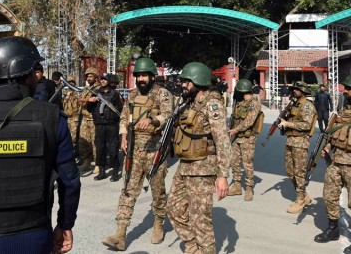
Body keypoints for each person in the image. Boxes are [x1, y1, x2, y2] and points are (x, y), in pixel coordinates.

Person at [0, 36, 81, 254]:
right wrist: (65, 224)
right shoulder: (53, 119)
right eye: (34, 71)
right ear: (26, 74)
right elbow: (71, 182)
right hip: (36, 236)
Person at [102, 57, 173, 251]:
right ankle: (120, 234)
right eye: (138, 76)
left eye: (144, 75)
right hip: (133, 151)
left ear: (152, 76)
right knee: (127, 192)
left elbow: (168, 115)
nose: (141, 79)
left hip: (155, 151)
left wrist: (152, 121)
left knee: (158, 192)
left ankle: (159, 223)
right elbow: (124, 118)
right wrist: (124, 136)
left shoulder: (163, 94)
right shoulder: (132, 95)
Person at [166, 62, 231, 253]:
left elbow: (223, 140)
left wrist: (222, 175)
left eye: (187, 82)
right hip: (185, 165)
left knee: (200, 219)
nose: (183, 85)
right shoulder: (190, 103)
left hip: (203, 168)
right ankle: (193, 246)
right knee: (174, 209)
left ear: (198, 81)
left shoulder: (212, 105)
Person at [314, 76, 351, 254]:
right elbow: (337, 132)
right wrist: (328, 146)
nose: (346, 91)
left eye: (349, 88)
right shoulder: (345, 110)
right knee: (329, 194)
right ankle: (333, 228)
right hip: (336, 161)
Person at [278, 81, 317, 214]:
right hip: (291, 140)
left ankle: (300, 199)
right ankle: (304, 195)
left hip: (300, 142)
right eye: (294, 88)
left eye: (297, 89)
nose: (294, 90)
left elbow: (306, 125)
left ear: (303, 91)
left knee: (299, 172)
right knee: (289, 170)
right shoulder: (295, 104)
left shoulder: (307, 106)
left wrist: (288, 124)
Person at [228, 79, 262, 201]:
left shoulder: (255, 104)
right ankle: (237, 185)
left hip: (248, 138)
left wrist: (235, 131)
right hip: (237, 138)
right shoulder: (239, 102)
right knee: (234, 162)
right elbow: (234, 119)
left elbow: (249, 122)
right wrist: (231, 128)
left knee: (247, 164)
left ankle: (249, 188)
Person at [87, 73, 123, 182]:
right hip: (99, 124)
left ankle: (115, 171)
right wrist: (90, 101)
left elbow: (120, 109)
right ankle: (102, 171)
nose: (102, 81)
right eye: (101, 79)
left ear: (109, 81)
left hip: (112, 125)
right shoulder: (97, 93)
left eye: (104, 79)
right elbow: (89, 109)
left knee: (113, 149)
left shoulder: (115, 94)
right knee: (100, 148)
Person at [78, 67, 100, 173]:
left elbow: (93, 100)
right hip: (84, 118)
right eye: (87, 76)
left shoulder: (98, 88)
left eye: (91, 76)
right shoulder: (86, 89)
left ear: (95, 77)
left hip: (93, 118)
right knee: (83, 141)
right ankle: (86, 161)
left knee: (95, 141)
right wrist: (86, 99)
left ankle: (97, 163)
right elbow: (81, 99)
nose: (89, 78)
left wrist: (84, 100)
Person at [62, 76, 80, 151]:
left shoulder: (77, 93)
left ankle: (75, 153)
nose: (71, 84)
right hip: (66, 118)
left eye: (72, 82)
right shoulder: (65, 94)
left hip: (74, 118)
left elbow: (79, 106)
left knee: (74, 138)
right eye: (69, 82)